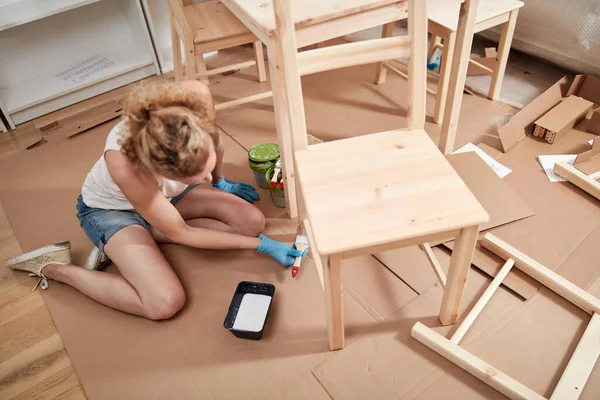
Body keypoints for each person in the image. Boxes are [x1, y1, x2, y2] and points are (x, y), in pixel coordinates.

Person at [6, 80, 304, 320]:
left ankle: (141, 238)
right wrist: (261, 245)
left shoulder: (194, 99)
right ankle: (55, 268)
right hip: (111, 211)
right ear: (161, 170)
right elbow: (182, 232)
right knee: (164, 303)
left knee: (250, 221)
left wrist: (219, 180)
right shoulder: (126, 165)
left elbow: (212, 146)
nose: (203, 178)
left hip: (162, 200)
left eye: (205, 165)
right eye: (195, 176)